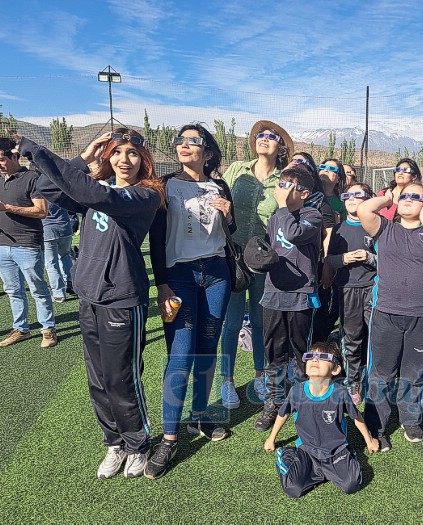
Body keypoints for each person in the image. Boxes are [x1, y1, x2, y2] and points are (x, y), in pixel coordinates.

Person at [20, 129, 164, 479]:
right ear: (107, 156)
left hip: (122, 298)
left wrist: (38, 152)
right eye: (117, 153)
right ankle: (114, 443)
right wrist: (84, 158)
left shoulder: (145, 195)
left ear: (143, 160)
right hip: (89, 296)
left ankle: (137, 444)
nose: (123, 160)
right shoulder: (95, 189)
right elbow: (47, 190)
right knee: (98, 379)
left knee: (121, 378)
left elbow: (101, 198)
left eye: (132, 153)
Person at [145, 124, 234, 480]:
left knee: (207, 349)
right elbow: (155, 238)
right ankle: (169, 437)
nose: (184, 146)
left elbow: (231, 233)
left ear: (207, 152)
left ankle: (199, 416)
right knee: (180, 353)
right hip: (179, 276)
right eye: (179, 141)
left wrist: (229, 215)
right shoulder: (166, 186)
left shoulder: (220, 185)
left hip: (217, 274)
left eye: (192, 141)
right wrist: (162, 285)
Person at [359, 181, 423, 450]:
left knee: (413, 372)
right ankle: (377, 426)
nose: (409, 199)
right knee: (381, 373)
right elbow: (365, 210)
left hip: (422, 316)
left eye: (417, 196)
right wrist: (389, 198)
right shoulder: (386, 228)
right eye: (406, 196)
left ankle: (411, 419)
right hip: (387, 313)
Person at [220, 120, 294, 409]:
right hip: (234, 254)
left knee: (261, 321)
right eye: (260, 136)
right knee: (232, 321)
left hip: (264, 260)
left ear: (280, 147)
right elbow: (218, 198)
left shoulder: (283, 179)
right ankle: (227, 380)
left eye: (272, 136)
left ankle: (260, 376)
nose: (264, 139)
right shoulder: (237, 169)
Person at [254, 166, 323, 431]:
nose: (280, 188)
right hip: (273, 293)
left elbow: (294, 234)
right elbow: (273, 247)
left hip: (300, 295)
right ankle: (274, 401)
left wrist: (282, 208)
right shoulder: (275, 217)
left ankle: (300, 400)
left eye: (287, 185)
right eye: (280, 184)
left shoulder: (313, 215)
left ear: (304, 193)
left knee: (299, 353)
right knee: (274, 352)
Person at [263, 341, 378, 497]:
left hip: (337, 450)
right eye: (311, 357)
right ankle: (289, 454)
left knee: (352, 484)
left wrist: (369, 440)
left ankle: (328, 469)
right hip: (307, 450)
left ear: (336, 369)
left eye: (323, 357)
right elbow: (283, 414)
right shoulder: (296, 392)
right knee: (293, 489)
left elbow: (356, 417)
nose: (315, 360)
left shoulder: (340, 393)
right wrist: (271, 439)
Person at [322, 182, 376, 404]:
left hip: (374, 289)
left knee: (376, 336)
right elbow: (329, 259)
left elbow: (391, 260)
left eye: (358, 195)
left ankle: (375, 380)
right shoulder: (338, 229)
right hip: (347, 289)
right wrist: (344, 259)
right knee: (352, 338)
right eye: (348, 195)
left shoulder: (378, 226)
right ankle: (353, 380)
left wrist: (370, 258)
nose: (352, 199)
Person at [0, 137, 56, 348]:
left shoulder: (33, 178)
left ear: (15, 156)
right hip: (2, 245)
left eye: (2, 159)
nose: (0, 164)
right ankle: (21, 329)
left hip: (27, 244)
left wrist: (8, 208)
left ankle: (48, 329)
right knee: (13, 290)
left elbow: (42, 211)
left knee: (37, 288)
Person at [313, 158, 347, 343]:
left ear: (338, 177)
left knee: (324, 303)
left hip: (329, 258)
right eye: (322, 167)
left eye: (332, 169)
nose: (326, 171)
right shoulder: (309, 195)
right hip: (309, 257)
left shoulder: (341, 204)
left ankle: (321, 343)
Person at [42, 201, 74, 303]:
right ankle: (70, 283)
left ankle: (59, 293)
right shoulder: (59, 190)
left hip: (48, 231)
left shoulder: (39, 192)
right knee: (65, 256)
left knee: (51, 263)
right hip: (65, 228)